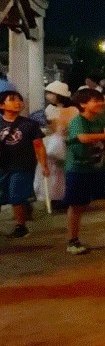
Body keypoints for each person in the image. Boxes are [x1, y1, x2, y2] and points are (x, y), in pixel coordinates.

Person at [64, 88, 105, 255]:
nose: (101, 103)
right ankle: (72, 241)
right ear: (83, 104)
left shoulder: (98, 121)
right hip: (79, 169)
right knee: (77, 206)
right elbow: (83, 138)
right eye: (96, 100)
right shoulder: (79, 121)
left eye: (101, 99)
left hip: (99, 167)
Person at [0, 91, 48, 238]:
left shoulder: (30, 124)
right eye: (12, 100)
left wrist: (44, 165)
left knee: (16, 196)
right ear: (1, 105)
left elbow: (38, 145)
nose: (18, 102)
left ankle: (21, 226)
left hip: (23, 166)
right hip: (2, 166)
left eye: (20, 100)